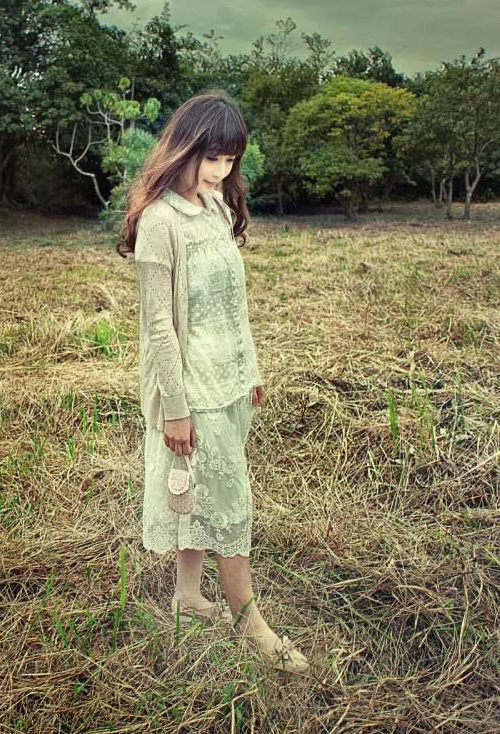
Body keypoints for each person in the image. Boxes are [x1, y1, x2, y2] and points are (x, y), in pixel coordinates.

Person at [115, 89, 309, 674]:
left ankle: (188, 595)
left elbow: (233, 304)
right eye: (212, 157)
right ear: (184, 148)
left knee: (201, 493)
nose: (222, 171)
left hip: (231, 382)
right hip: (193, 389)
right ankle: (251, 622)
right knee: (228, 502)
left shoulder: (219, 208)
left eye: (230, 159)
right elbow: (158, 327)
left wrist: (251, 369)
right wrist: (175, 408)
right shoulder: (159, 222)